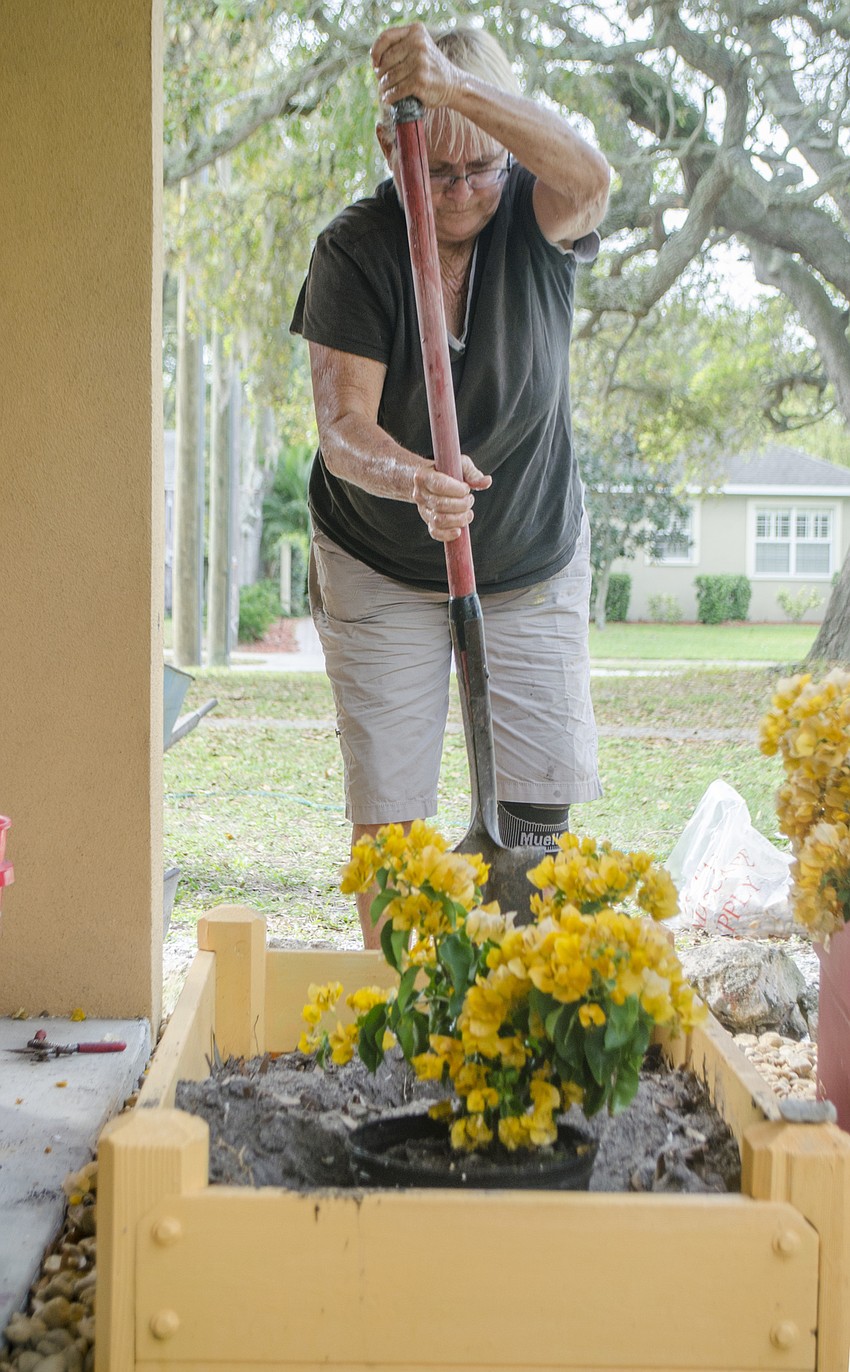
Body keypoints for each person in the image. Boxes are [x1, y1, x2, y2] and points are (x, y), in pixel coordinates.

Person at [291, 22, 609, 947]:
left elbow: (591, 180)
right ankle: (408, 1007)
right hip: (381, 552)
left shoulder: (538, 214)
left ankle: (519, 992)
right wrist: (416, 478)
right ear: (392, 149)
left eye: (483, 168)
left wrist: (455, 96)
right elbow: (344, 426)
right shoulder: (354, 249)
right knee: (391, 803)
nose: (465, 193)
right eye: (437, 173)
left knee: (536, 804)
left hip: (530, 549)